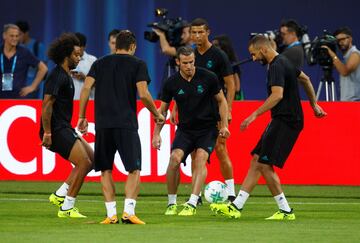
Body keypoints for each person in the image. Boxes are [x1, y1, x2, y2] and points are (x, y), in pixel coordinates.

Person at [210, 35, 326, 220]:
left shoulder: (277, 66)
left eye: (254, 54)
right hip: (284, 119)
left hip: (286, 121)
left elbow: (277, 95)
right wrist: (314, 105)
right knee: (257, 160)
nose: (254, 58)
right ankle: (236, 206)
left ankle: (285, 211)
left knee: (264, 164)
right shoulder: (285, 61)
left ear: (263, 49)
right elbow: (305, 79)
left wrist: (253, 115)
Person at [77, 30, 165, 225]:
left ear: (116, 45)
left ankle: (111, 215)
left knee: (105, 170)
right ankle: (128, 213)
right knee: (133, 169)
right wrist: (157, 114)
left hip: (103, 125)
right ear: (133, 46)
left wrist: (82, 116)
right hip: (126, 124)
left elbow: (85, 88)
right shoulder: (138, 64)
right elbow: (143, 94)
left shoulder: (99, 63)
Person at [152, 46, 230, 216]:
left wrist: (224, 125)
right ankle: (172, 203)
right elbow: (162, 110)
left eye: (192, 62)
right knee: (174, 159)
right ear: (178, 62)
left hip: (208, 128)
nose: (189, 66)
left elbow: (222, 101)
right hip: (185, 130)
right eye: (185, 63)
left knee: (201, 158)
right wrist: (156, 133)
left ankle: (192, 203)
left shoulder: (208, 77)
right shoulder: (170, 83)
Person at [40, 33, 93, 218]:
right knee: (83, 162)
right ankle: (67, 207)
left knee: (92, 159)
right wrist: (47, 133)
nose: (79, 58)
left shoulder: (66, 75)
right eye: (76, 55)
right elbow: (46, 104)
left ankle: (60, 194)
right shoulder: (57, 75)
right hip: (56, 129)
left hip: (64, 127)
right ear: (66, 55)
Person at [190, 18, 236, 200]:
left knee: (220, 148)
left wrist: (229, 108)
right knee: (195, 152)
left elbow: (230, 84)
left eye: (200, 32)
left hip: (216, 109)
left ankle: (232, 192)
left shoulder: (218, 55)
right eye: (194, 32)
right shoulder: (191, 56)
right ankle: (197, 194)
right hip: (195, 110)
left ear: (208, 32)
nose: (197, 35)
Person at [0, 24, 47, 98]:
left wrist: (33, 87)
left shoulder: (24, 52)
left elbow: (43, 68)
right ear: (4, 36)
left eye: (17, 36)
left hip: (18, 99)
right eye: (12, 36)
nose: (15, 38)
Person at [321, 27, 360, 101]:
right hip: (348, 101)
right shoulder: (345, 58)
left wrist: (333, 55)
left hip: (355, 101)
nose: (340, 42)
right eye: (338, 40)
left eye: (343, 39)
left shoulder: (355, 54)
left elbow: (344, 71)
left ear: (350, 39)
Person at [16, 20, 47, 99]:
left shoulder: (37, 46)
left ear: (26, 33)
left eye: (19, 35)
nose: (17, 38)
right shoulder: (16, 47)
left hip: (33, 89)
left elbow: (44, 68)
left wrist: (34, 85)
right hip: (17, 88)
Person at [213, 34, 244, 100]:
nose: (213, 48)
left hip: (231, 96)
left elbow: (236, 83)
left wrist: (236, 95)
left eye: (216, 45)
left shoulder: (232, 64)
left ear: (224, 46)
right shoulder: (213, 62)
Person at [71, 32, 97, 100]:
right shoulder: (67, 60)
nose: (76, 49)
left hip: (88, 103)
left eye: (79, 46)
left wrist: (85, 78)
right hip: (70, 103)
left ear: (84, 47)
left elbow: (100, 84)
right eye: (74, 46)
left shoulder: (93, 60)